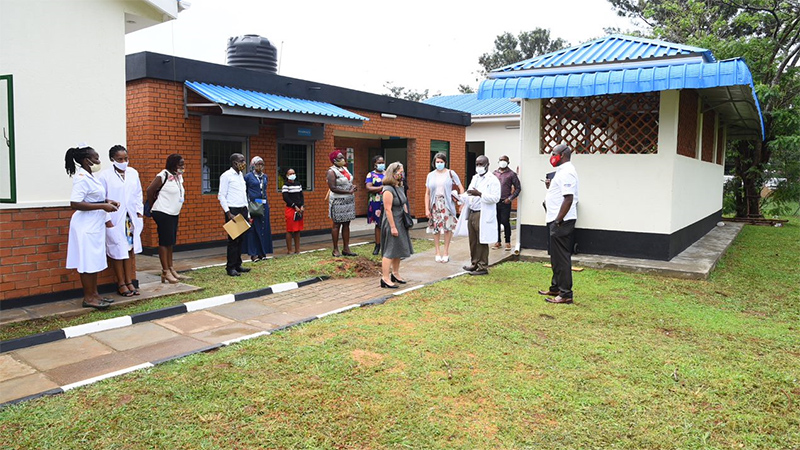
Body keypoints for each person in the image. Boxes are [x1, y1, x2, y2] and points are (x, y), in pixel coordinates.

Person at [64, 144, 119, 310]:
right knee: (88, 262)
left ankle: (95, 294)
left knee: (94, 261)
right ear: (87, 160)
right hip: (85, 226)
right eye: (96, 158)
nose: (99, 161)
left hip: (94, 224)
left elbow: (93, 197)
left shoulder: (90, 176)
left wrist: (107, 201)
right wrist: (102, 206)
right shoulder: (81, 177)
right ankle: (88, 297)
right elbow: (75, 203)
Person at [98, 145, 143, 298]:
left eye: (126, 158)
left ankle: (130, 281)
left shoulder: (133, 173)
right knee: (118, 251)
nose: (124, 162)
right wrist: (107, 220)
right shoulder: (105, 176)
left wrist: (139, 213)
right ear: (112, 160)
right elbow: (101, 199)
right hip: (115, 219)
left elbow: (138, 194)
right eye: (120, 159)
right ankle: (121, 283)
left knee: (129, 250)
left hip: (130, 218)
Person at [539, 144, 579, 304]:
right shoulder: (561, 172)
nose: (551, 156)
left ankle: (566, 294)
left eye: (553, 153)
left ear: (562, 155)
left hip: (562, 221)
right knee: (555, 257)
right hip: (555, 220)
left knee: (561, 258)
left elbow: (568, 199)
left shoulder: (568, 172)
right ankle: (555, 287)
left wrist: (558, 220)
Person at [147, 153, 186, 284]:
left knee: (170, 242)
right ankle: (165, 271)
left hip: (174, 213)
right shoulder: (162, 175)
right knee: (164, 242)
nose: (182, 166)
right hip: (163, 212)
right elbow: (150, 190)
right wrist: (154, 205)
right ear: (173, 164)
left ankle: (171, 268)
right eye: (180, 164)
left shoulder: (178, 176)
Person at [460, 155, 501, 276]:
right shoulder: (475, 178)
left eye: (481, 164)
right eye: (477, 164)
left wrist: (480, 194)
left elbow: (496, 198)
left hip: (482, 213)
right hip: (472, 211)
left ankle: (482, 266)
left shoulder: (493, 180)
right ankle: (474, 263)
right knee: (473, 240)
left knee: (481, 240)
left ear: (487, 165)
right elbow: (469, 193)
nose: (479, 167)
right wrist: (460, 198)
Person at [424, 152, 463, 263]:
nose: (439, 164)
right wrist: (427, 208)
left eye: (441, 162)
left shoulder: (450, 173)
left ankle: (446, 251)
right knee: (435, 228)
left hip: (447, 203)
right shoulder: (430, 175)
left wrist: (462, 202)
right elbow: (427, 193)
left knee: (447, 228)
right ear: (434, 162)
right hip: (434, 203)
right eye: (437, 162)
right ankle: (437, 252)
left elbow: (461, 187)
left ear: (445, 162)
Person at [379, 162, 413, 288]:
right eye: (400, 171)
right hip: (392, 221)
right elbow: (388, 209)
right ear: (392, 173)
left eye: (402, 171)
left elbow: (403, 203)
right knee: (390, 250)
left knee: (398, 249)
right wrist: (393, 227)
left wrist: (406, 216)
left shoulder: (400, 186)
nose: (402, 174)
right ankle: (385, 278)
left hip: (400, 220)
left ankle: (396, 273)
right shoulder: (387, 189)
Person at [218, 153, 252, 276]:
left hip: (242, 209)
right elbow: (221, 195)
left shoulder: (240, 175)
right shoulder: (226, 176)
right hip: (232, 210)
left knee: (241, 239)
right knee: (233, 240)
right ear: (234, 163)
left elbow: (244, 194)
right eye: (241, 161)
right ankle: (230, 267)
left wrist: (247, 212)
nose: (243, 163)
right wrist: (228, 213)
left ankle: (238, 264)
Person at [327, 150, 357, 257]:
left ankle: (346, 248)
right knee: (336, 224)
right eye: (340, 158)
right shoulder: (331, 172)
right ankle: (335, 249)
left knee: (346, 224)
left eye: (343, 157)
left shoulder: (345, 169)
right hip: (338, 201)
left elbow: (349, 181)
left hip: (348, 201)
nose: (343, 159)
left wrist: (352, 187)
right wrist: (347, 191)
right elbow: (333, 188)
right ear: (334, 160)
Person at [244, 156, 273, 262]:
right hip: (253, 205)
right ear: (253, 165)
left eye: (261, 164)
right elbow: (245, 191)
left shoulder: (265, 177)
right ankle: (253, 253)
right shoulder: (248, 177)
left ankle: (262, 252)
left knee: (263, 228)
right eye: (257, 164)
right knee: (253, 229)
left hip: (264, 205)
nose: (260, 167)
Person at [493, 154, 522, 251]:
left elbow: (518, 188)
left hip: (505, 202)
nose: (502, 162)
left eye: (504, 160)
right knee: (496, 222)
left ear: (508, 162)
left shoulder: (511, 174)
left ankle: (508, 241)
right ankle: (498, 241)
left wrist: (510, 198)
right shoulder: (494, 173)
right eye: (501, 160)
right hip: (495, 201)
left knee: (505, 221)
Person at [365, 155, 386, 255]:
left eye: (383, 162)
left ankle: (386, 245)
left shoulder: (387, 173)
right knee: (378, 224)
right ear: (375, 164)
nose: (382, 165)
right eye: (379, 163)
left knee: (387, 223)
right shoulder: (371, 175)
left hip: (387, 200)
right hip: (376, 202)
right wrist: (382, 188)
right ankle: (378, 245)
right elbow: (368, 188)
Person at [282, 168, 305, 254]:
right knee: (290, 230)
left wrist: (302, 205)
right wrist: (294, 206)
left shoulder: (298, 184)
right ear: (287, 175)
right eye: (290, 173)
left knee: (297, 230)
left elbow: (301, 196)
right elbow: (285, 198)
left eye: (293, 173)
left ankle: (297, 249)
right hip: (291, 209)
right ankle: (289, 250)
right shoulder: (285, 185)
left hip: (299, 210)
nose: (292, 175)